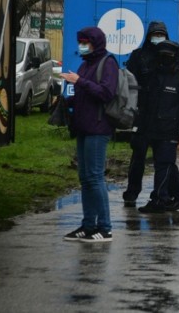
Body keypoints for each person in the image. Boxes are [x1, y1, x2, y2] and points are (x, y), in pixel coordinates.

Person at [60, 26, 117, 243]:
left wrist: (79, 82)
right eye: (81, 42)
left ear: (96, 43)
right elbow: (84, 93)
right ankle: (88, 225)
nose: (82, 46)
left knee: (94, 176)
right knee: (85, 178)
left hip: (98, 127)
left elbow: (106, 92)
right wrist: (66, 102)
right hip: (83, 127)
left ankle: (105, 227)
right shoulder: (86, 64)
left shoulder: (108, 63)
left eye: (86, 42)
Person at [137, 40, 179, 213]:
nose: (165, 59)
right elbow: (144, 102)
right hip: (152, 127)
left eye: (168, 56)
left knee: (164, 163)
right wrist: (139, 123)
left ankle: (159, 198)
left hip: (171, 127)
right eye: (162, 55)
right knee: (166, 164)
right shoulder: (152, 76)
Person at [121, 20, 169, 206]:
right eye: (155, 35)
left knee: (162, 159)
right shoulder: (138, 55)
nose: (157, 38)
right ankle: (132, 192)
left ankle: (161, 193)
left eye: (160, 35)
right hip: (142, 114)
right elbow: (130, 83)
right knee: (138, 157)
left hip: (163, 115)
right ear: (149, 36)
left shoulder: (171, 55)